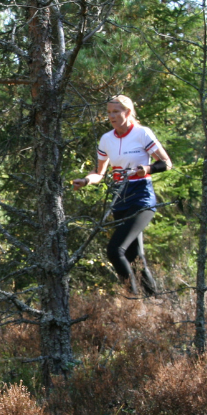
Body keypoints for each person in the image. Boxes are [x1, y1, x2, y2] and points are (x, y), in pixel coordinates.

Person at [72, 95, 173, 296]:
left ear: (127, 112)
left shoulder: (142, 133)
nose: (112, 116)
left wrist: (147, 168)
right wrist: (85, 181)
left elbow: (166, 163)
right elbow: (99, 173)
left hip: (142, 196)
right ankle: (155, 303)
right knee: (135, 255)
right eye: (109, 112)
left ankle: (132, 300)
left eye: (116, 112)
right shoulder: (107, 139)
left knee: (115, 250)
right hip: (120, 198)